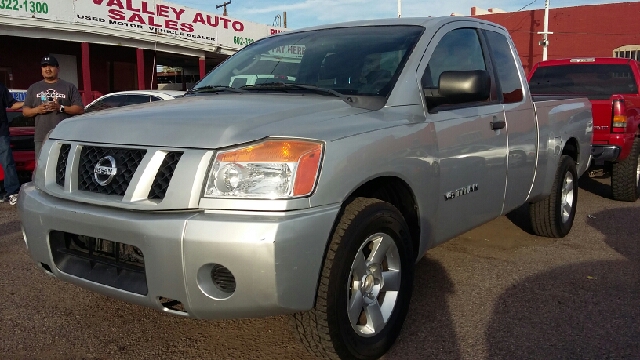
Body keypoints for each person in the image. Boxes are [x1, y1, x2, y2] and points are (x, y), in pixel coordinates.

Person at [23, 55, 84, 157]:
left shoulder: (69, 87)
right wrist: (38, 110)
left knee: (63, 166)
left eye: (51, 66)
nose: (48, 69)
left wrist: (60, 107)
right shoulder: (33, 88)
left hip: (64, 136)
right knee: (42, 167)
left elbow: (80, 109)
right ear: (41, 69)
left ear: (58, 68)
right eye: (44, 66)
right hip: (41, 137)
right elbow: (25, 111)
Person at [0, 82, 24, 205]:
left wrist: (28, 101)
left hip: (1, 133)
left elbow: (13, 104)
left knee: (7, 162)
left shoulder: (1, 87)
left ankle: (12, 192)